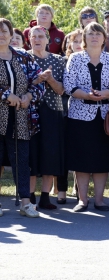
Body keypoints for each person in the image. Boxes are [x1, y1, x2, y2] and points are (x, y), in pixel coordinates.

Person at [63, 22, 109, 212]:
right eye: (90, 34)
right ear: (84, 38)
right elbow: (69, 85)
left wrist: (105, 93)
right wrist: (86, 95)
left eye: (98, 33)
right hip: (79, 116)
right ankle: (82, 200)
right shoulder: (75, 58)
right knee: (81, 160)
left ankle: (99, 200)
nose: (94, 37)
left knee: (101, 159)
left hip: (105, 117)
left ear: (104, 38)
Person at [0, 18, 44, 217]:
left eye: (5, 31)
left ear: (11, 34)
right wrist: (5, 95)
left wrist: (29, 96)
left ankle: (26, 203)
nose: (1, 35)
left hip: (21, 118)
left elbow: (40, 80)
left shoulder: (23, 56)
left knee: (22, 160)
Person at [28, 26, 66, 210]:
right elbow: (20, 88)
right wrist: (37, 80)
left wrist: (49, 79)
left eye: (40, 36)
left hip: (53, 111)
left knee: (50, 154)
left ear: (47, 39)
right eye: (33, 36)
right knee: (32, 153)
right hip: (30, 111)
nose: (37, 39)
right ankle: (30, 196)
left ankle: (45, 197)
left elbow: (61, 90)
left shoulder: (58, 60)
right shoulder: (22, 57)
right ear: (29, 39)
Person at [57, 29, 84, 204]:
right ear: (68, 45)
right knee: (63, 153)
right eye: (75, 41)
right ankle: (61, 190)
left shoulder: (90, 61)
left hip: (82, 114)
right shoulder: (62, 62)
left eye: (82, 41)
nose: (78, 45)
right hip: (62, 113)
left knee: (78, 152)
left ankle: (78, 189)